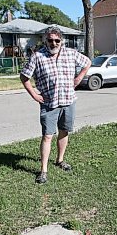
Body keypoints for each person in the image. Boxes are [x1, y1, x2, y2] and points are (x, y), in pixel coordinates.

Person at [20, 27, 91, 184]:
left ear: (61, 41)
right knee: (47, 136)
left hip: (68, 100)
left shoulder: (71, 53)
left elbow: (87, 62)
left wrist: (79, 78)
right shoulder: (38, 57)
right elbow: (24, 77)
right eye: (50, 40)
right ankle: (43, 170)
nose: (54, 43)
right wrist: (33, 94)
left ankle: (60, 160)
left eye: (57, 40)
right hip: (49, 103)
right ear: (46, 40)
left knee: (64, 131)